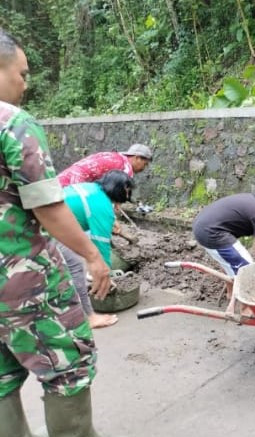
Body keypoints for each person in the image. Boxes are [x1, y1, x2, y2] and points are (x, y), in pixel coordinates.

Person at [0, 28, 111, 436]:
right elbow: (47, 205)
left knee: (1, 381)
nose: (25, 85)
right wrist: (94, 256)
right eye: (22, 74)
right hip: (25, 283)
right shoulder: (12, 123)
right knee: (68, 370)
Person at [192, 180, 255, 310]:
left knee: (232, 261)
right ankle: (246, 310)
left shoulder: (252, 202)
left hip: (203, 226)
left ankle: (230, 295)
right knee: (247, 270)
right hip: (212, 233)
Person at [59, 170, 135, 329]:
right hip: (50, 227)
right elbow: (101, 246)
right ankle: (88, 317)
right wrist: (104, 275)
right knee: (75, 267)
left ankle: (60, 307)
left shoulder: (93, 188)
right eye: (128, 191)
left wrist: (110, 218)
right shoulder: (102, 205)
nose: (128, 195)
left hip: (47, 222)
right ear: (120, 188)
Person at [58, 143, 152, 187]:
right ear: (137, 158)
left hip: (63, 178)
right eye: (145, 164)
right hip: (77, 183)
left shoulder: (113, 156)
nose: (144, 168)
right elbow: (114, 194)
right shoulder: (126, 169)